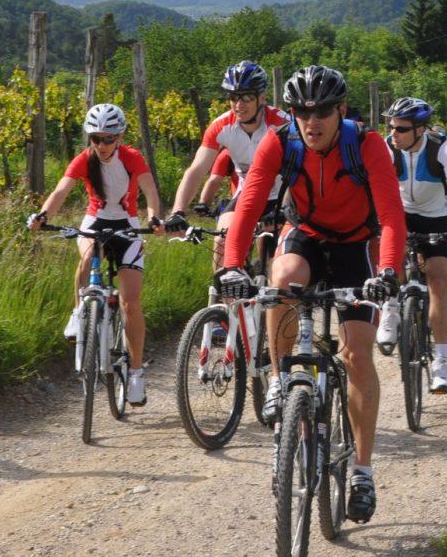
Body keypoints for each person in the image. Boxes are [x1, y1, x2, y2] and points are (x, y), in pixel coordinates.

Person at [218, 65, 406, 524]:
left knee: (358, 354)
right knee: (281, 277)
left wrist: (388, 270)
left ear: (340, 110)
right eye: (303, 111)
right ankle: (281, 379)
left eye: (322, 110)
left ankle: (362, 469)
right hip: (306, 234)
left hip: (354, 247)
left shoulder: (366, 144)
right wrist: (232, 265)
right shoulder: (281, 141)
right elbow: (249, 202)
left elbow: (390, 214)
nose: (312, 120)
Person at [27, 104, 163, 407]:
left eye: (109, 138)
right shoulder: (84, 159)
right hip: (96, 221)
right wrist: (43, 215)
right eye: (96, 138)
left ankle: (137, 373)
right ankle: (79, 313)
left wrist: (154, 218)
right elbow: (62, 189)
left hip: (127, 224)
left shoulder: (132, 158)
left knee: (130, 303)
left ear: (120, 136)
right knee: (88, 254)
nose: (102, 145)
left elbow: (150, 191)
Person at [379, 96, 447, 395]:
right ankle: (390, 308)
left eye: (401, 129)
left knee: (439, 278)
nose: (394, 134)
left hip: (436, 218)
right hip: (399, 214)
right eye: (391, 127)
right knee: (388, 262)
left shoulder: (443, 148)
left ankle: (441, 360)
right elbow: (371, 188)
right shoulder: (386, 148)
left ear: (420, 129)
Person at [164, 61, 288, 270]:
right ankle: (229, 301)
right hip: (248, 194)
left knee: (277, 264)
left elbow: (302, 167)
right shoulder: (221, 126)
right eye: (233, 97)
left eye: (247, 96)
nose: (239, 104)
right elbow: (197, 169)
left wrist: (286, 207)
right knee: (223, 241)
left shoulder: (282, 123)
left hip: (284, 195)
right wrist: (178, 211)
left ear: (262, 97)